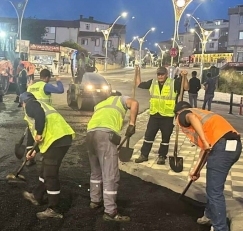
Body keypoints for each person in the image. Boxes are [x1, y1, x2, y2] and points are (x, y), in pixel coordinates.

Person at [174, 101, 242, 231]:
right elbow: (206, 150)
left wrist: (204, 140)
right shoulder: (204, 116)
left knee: (214, 191)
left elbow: (191, 118)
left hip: (221, 148)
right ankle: (210, 216)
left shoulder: (184, 115)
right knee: (213, 187)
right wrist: (196, 170)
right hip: (233, 146)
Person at [20, 92, 75, 220]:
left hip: (57, 141)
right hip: (58, 139)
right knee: (45, 170)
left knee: (50, 175)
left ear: (24, 102)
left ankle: (53, 209)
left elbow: (39, 118)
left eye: (22, 104)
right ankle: (37, 196)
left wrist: (38, 133)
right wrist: (35, 151)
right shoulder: (42, 105)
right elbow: (47, 132)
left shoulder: (31, 105)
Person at [87, 92, 139, 222]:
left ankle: (95, 200)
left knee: (96, 171)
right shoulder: (120, 99)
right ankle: (110, 212)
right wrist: (132, 124)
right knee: (110, 174)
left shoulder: (100, 105)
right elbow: (135, 103)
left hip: (90, 134)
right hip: (105, 134)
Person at [134, 66, 189, 164]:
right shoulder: (153, 82)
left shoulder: (173, 83)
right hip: (154, 115)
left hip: (167, 116)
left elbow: (185, 88)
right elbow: (138, 84)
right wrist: (137, 72)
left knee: (165, 138)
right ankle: (144, 155)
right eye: (158, 74)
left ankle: (162, 156)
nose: (160, 76)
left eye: (162, 74)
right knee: (148, 137)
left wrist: (185, 77)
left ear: (166, 74)